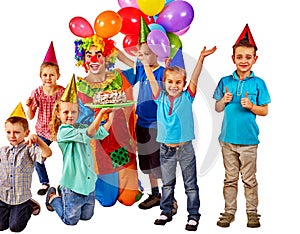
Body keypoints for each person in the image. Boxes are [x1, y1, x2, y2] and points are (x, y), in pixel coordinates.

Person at [143, 45, 217, 231]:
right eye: (170, 82)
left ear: (183, 85)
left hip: (185, 149)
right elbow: (152, 79)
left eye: (178, 82)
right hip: (166, 149)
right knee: (167, 184)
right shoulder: (159, 97)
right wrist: (145, 64)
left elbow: (195, 77)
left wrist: (201, 58)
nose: (174, 86)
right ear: (164, 82)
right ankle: (166, 211)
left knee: (190, 184)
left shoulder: (187, 97)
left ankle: (193, 215)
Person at [213, 24, 271, 228]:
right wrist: (224, 101)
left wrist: (252, 106)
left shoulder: (259, 83)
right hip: (227, 140)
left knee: (249, 179)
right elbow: (218, 108)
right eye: (240, 57)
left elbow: (265, 110)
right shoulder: (224, 81)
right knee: (229, 179)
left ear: (255, 59)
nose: (244, 61)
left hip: (248, 142)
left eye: (248, 57)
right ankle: (229, 212)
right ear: (233, 58)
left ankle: (252, 212)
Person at [73, 33, 140, 207]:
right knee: (107, 200)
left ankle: (132, 184)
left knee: (129, 199)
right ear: (83, 59)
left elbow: (138, 70)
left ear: (107, 57)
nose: (94, 59)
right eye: (89, 55)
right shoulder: (80, 87)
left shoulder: (118, 77)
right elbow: (78, 122)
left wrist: (114, 50)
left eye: (99, 54)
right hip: (99, 148)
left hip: (122, 142)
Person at [118, 18, 172, 211]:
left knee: (158, 163)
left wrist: (144, 64)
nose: (142, 57)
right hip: (141, 122)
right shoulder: (141, 69)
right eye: (140, 54)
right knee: (147, 163)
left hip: (157, 124)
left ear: (156, 53)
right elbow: (126, 71)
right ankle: (155, 194)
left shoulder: (163, 73)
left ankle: (169, 198)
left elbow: (161, 93)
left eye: (146, 53)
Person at [46, 75, 114, 225]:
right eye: (66, 112)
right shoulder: (63, 131)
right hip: (73, 186)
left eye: (74, 112)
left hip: (88, 184)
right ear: (58, 113)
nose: (70, 115)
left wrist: (110, 117)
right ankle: (53, 198)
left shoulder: (81, 127)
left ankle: (63, 196)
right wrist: (100, 114)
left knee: (87, 217)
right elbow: (90, 133)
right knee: (71, 221)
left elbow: (100, 133)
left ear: (78, 113)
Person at [0, 102, 52, 232]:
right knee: (1, 226)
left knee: (16, 227)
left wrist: (38, 140)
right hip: (3, 197)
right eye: (9, 132)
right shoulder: (3, 151)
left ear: (26, 133)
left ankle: (29, 206)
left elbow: (47, 153)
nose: (12, 136)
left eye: (16, 132)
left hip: (20, 198)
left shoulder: (29, 150)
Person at [26, 41, 65, 195]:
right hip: (42, 130)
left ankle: (67, 184)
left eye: (52, 75)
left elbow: (69, 112)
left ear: (58, 76)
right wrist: (29, 107)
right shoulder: (36, 93)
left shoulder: (62, 92)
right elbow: (30, 116)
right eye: (45, 75)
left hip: (61, 129)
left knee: (70, 155)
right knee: (37, 156)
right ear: (40, 76)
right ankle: (44, 183)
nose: (48, 78)